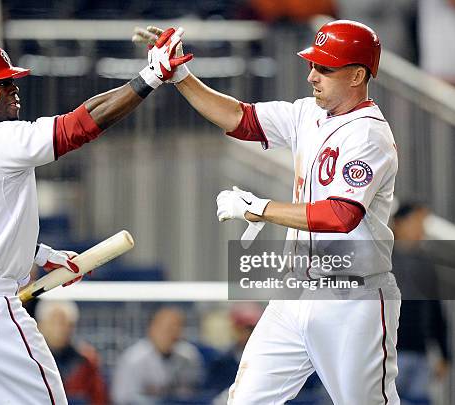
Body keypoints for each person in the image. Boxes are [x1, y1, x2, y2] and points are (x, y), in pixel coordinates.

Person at [0, 29, 192, 405]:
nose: (14, 91)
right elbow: (81, 124)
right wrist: (150, 78)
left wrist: (42, 255)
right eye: (4, 84)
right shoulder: (2, 140)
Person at [134, 20, 401, 404]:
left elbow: (342, 216)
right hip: (296, 293)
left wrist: (260, 208)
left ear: (358, 74)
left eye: (325, 68)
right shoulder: (307, 113)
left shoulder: (368, 134)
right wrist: (181, 77)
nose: (312, 75)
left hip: (352, 298)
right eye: (313, 64)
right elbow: (240, 118)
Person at [391, 202, 450, 405]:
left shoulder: (425, 263)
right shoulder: (380, 258)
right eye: (416, 222)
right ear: (398, 223)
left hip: (419, 351)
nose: (421, 229)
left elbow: (435, 308)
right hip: (388, 352)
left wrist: (444, 352)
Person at [111, 306, 203, 404]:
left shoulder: (189, 356)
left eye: (177, 328)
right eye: (167, 328)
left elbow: (195, 394)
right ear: (151, 329)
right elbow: (122, 399)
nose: (172, 334)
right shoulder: (133, 359)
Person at [35, 300, 109, 404]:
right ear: (40, 325)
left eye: (64, 323)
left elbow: (98, 398)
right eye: (53, 322)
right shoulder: (31, 359)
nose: (59, 328)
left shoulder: (87, 360)